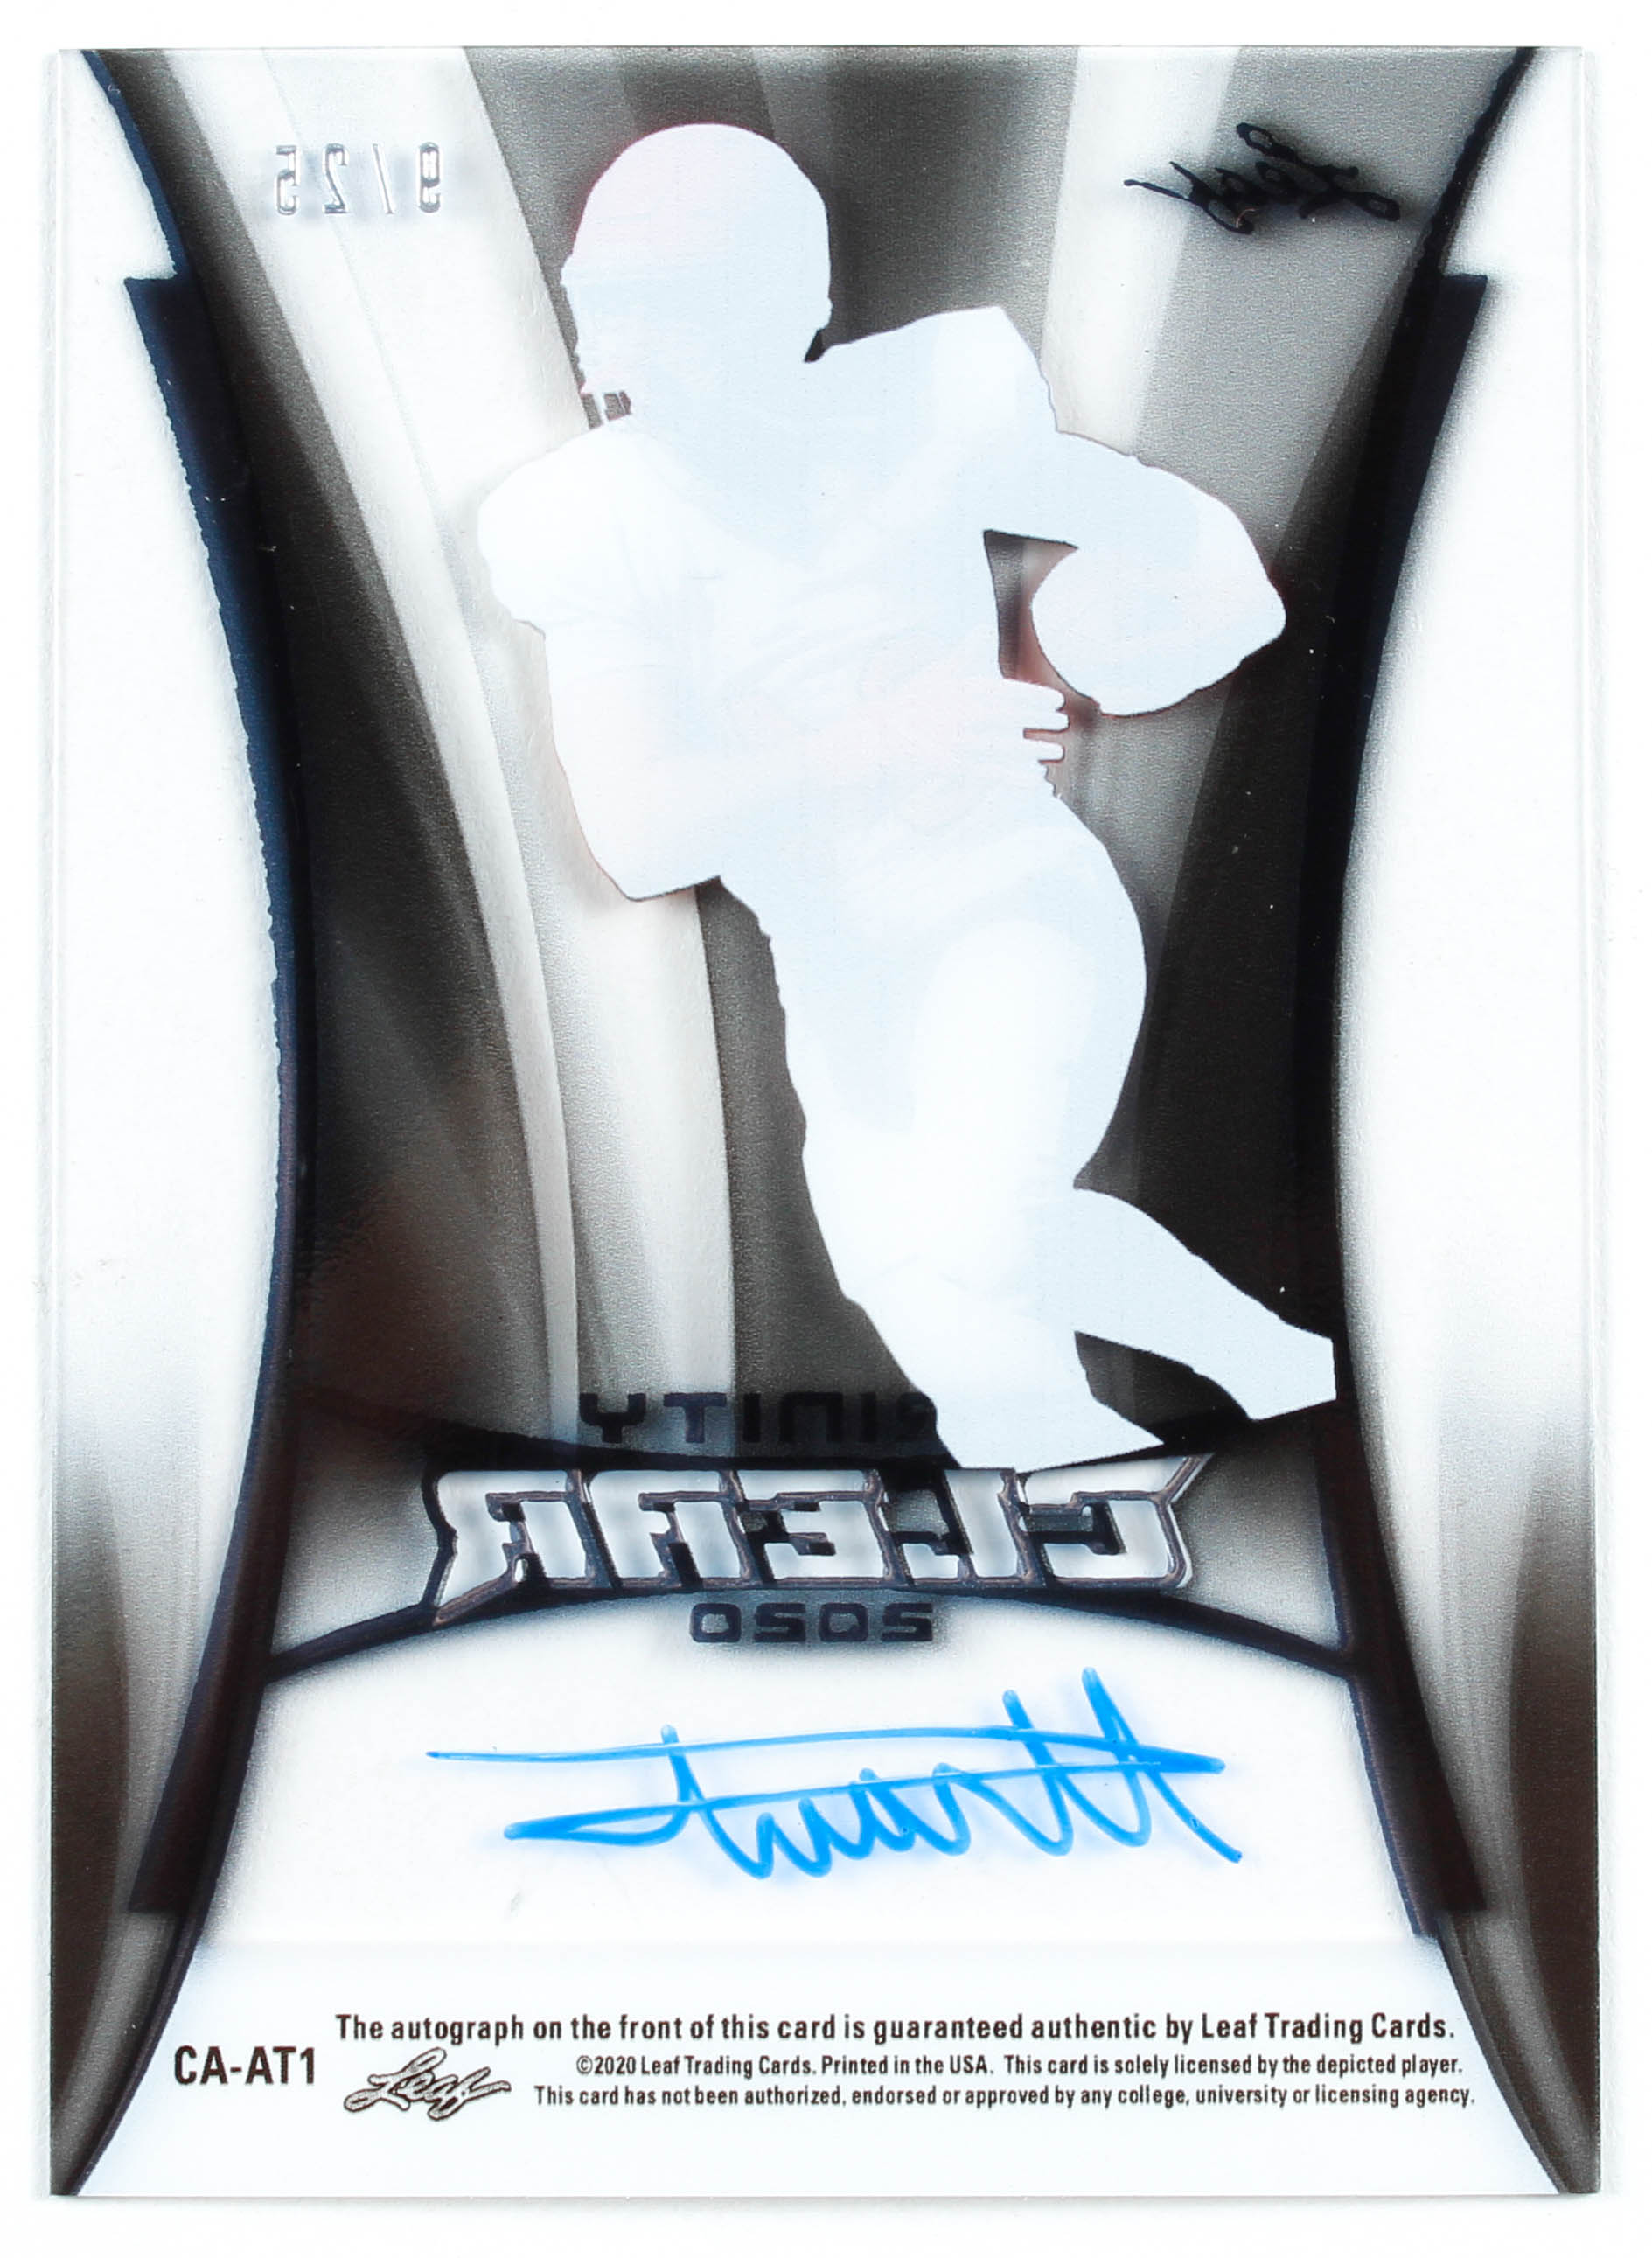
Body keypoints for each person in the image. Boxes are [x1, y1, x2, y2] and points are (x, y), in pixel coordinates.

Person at [480, 122, 1335, 1473]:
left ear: (788, 304)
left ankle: (1274, 1392)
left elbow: (1188, 546)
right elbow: (638, 834)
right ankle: (1260, 1399)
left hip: (1003, 905)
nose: (634, 349)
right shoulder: (595, 521)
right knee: (960, 1341)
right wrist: (882, 736)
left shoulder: (913, 415)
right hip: (834, 961)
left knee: (975, 1232)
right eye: (615, 303)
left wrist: (1178, 611)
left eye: (673, 301)